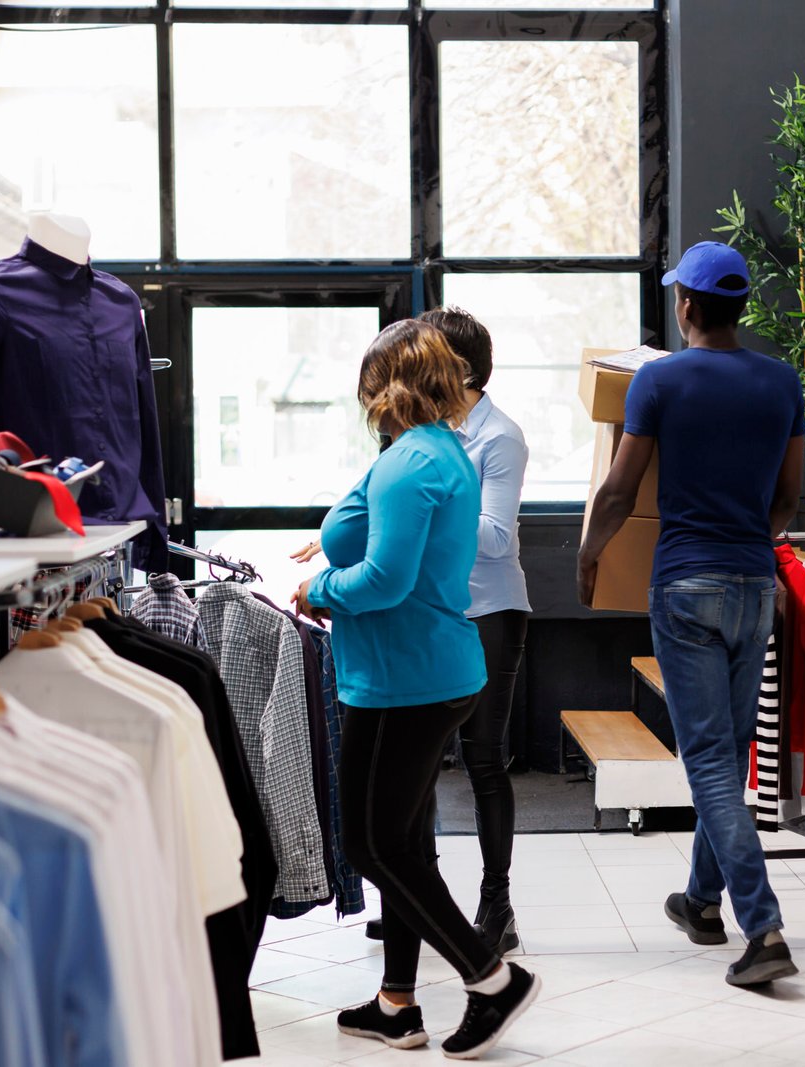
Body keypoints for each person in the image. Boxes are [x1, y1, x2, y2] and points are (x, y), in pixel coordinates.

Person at [291, 319, 540, 1059]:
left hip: (402, 678)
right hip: (428, 667)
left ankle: (491, 977)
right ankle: (397, 1005)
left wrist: (319, 587)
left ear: (386, 386)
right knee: (401, 841)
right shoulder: (445, 454)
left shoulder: (409, 464)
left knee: (372, 844)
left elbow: (384, 579)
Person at [577, 241, 805, 988]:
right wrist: (751, 541)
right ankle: (702, 902)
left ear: (686, 306)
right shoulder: (783, 382)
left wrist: (587, 555)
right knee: (729, 751)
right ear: (739, 307)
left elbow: (618, 490)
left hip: (684, 586)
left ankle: (764, 925)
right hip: (755, 585)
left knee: (707, 759)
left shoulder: (660, 380)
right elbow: (789, 500)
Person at [420, 306, 531, 955]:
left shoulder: (501, 437)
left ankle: (497, 903)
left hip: (490, 610)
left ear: (457, 368)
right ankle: (420, 896)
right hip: (432, 611)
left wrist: (425, 503)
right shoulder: (429, 429)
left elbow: (493, 538)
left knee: (483, 758)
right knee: (418, 763)